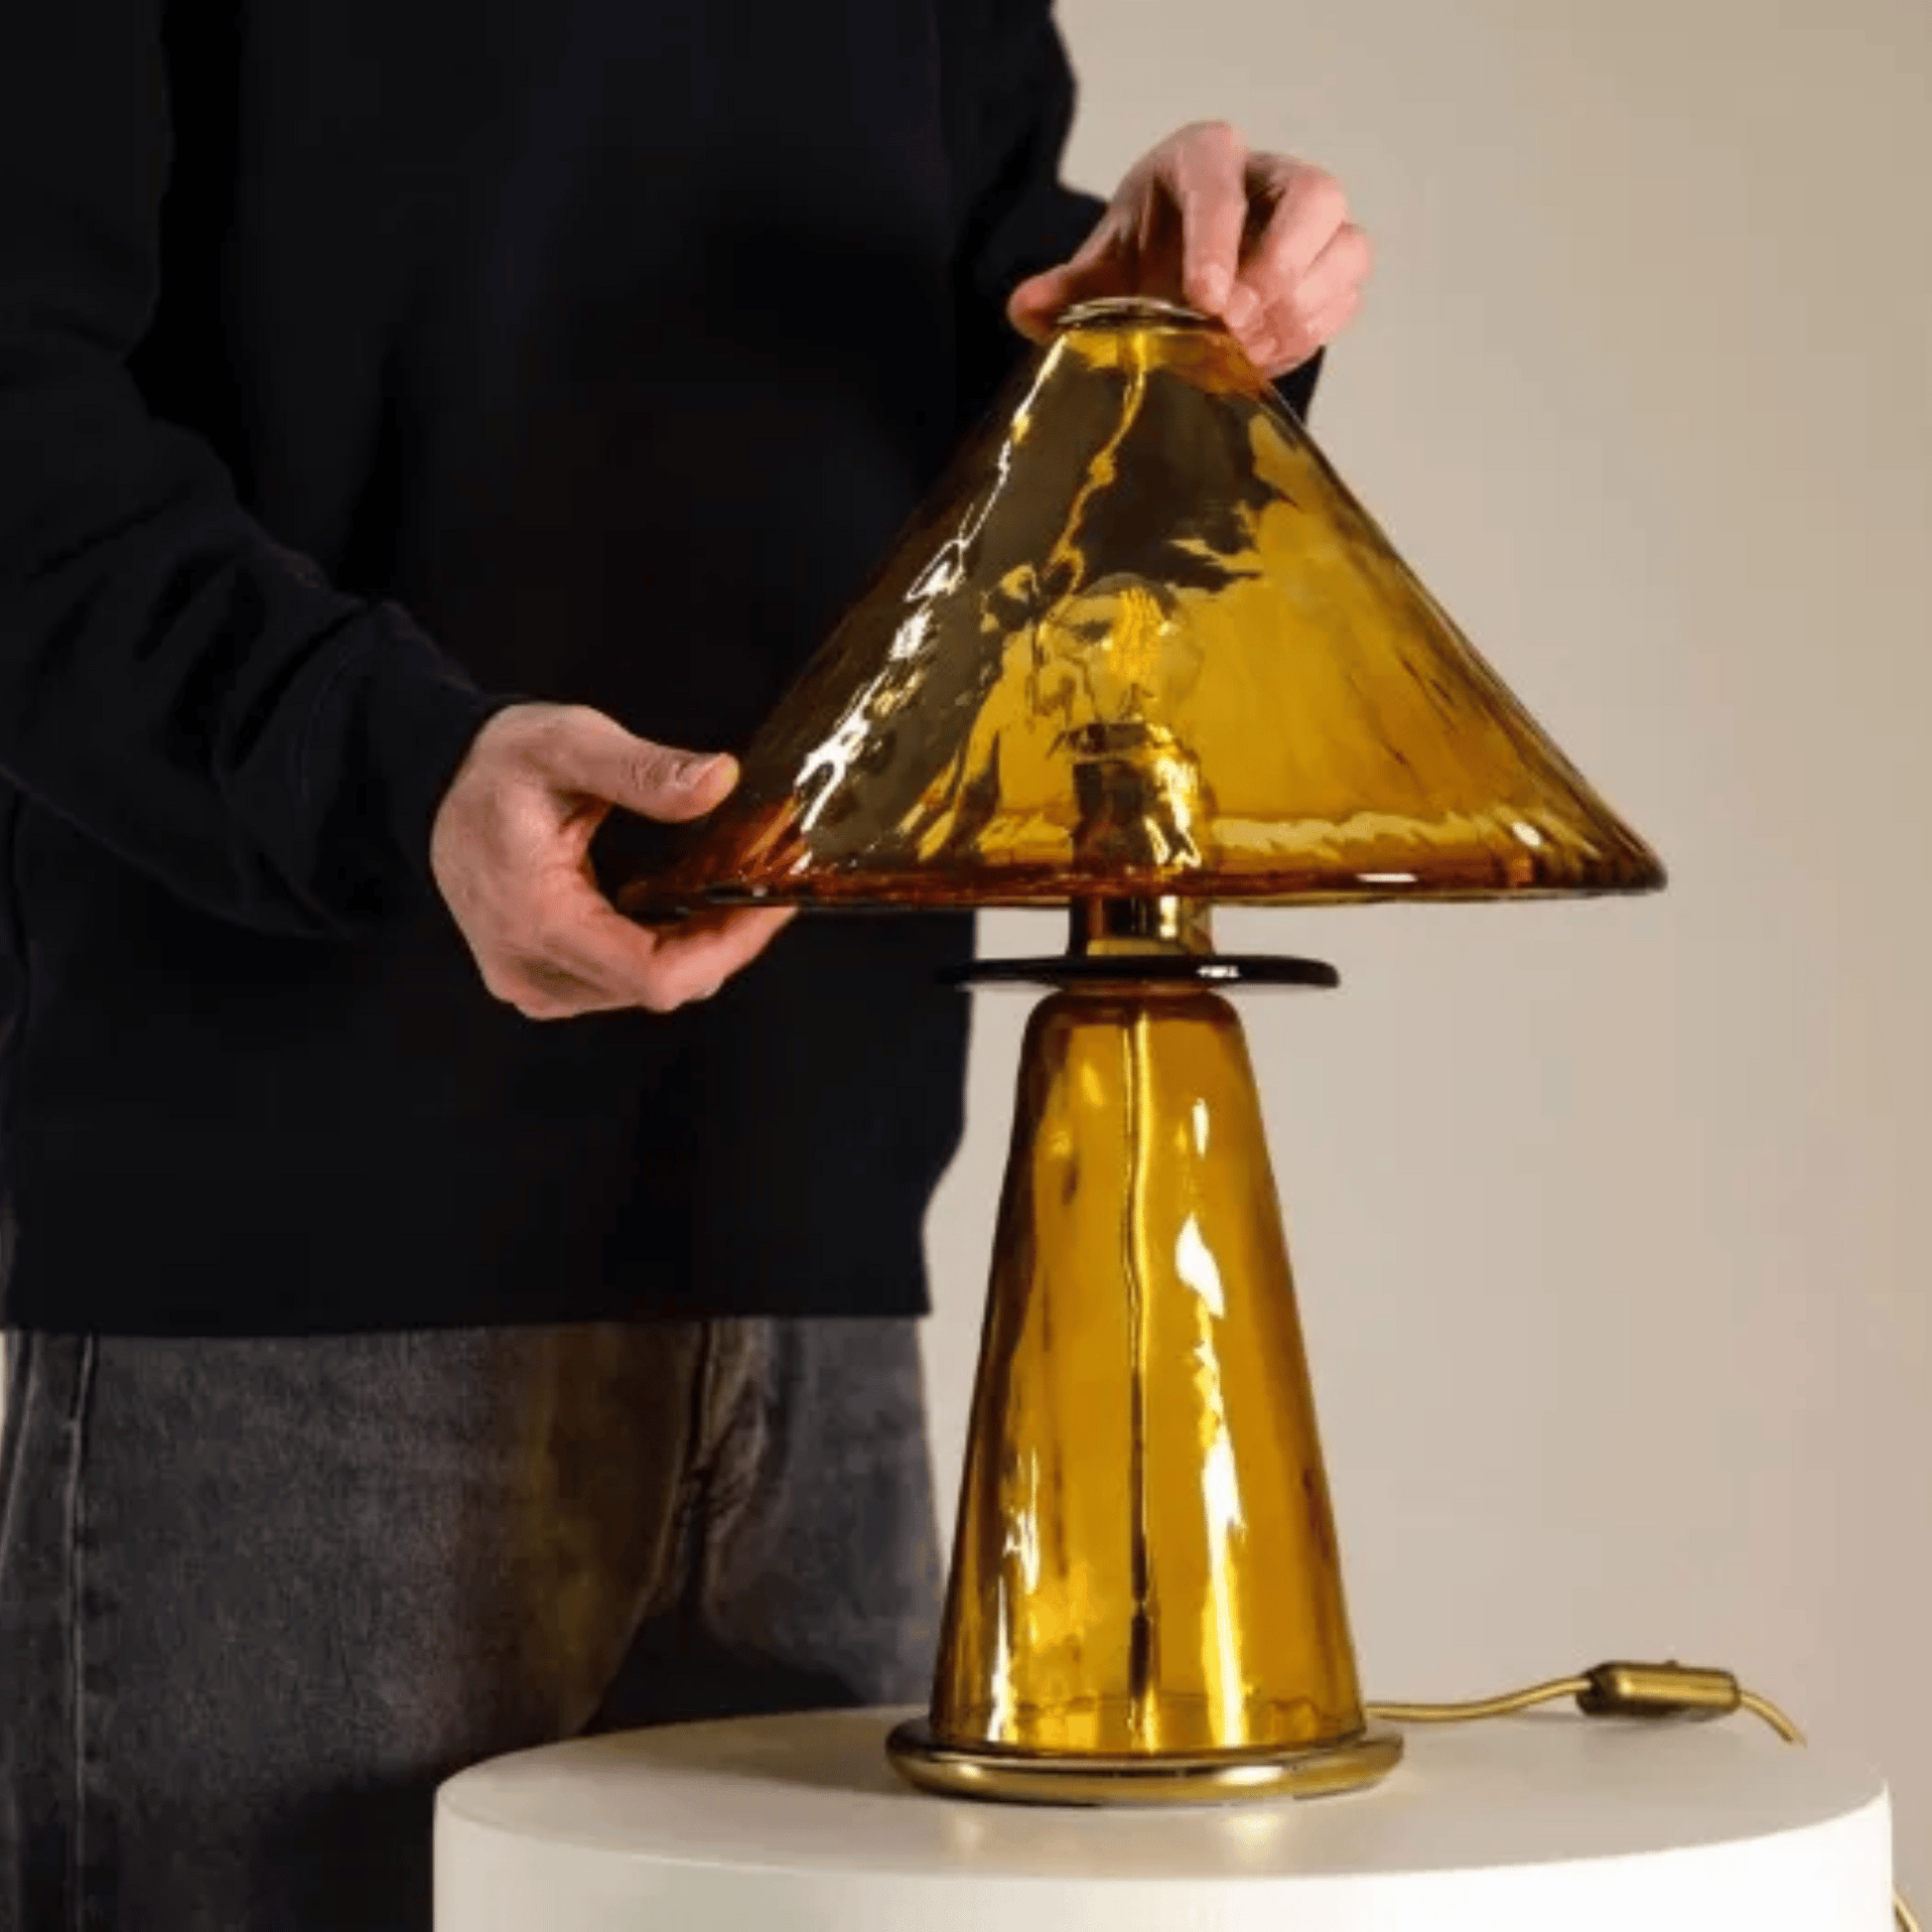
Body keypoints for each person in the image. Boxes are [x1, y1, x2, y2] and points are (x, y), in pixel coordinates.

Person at [0, 3, 1371, 1926]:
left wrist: (1168, 333)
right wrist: (397, 771)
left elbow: (966, 441)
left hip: (824, 1278)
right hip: (294, 1299)